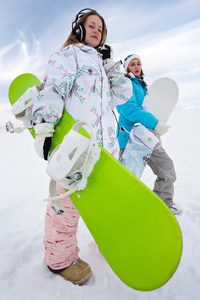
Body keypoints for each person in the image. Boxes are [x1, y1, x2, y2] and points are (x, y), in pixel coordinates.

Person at [32, 9, 132, 285]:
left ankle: (107, 241)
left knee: (105, 202)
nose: (97, 31)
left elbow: (123, 95)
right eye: (91, 26)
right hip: (76, 148)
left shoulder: (102, 65)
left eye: (101, 28)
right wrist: (44, 127)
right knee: (67, 204)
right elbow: (53, 90)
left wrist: (111, 66)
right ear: (77, 30)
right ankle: (59, 259)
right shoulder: (67, 57)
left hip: (105, 151)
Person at [116, 54, 182, 215]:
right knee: (127, 179)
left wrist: (155, 129)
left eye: (138, 63)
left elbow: (150, 108)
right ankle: (120, 211)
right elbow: (129, 110)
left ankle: (163, 203)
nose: (137, 66)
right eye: (132, 64)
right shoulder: (124, 86)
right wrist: (155, 124)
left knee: (166, 168)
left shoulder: (143, 87)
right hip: (131, 139)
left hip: (148, 137)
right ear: (126, 69)